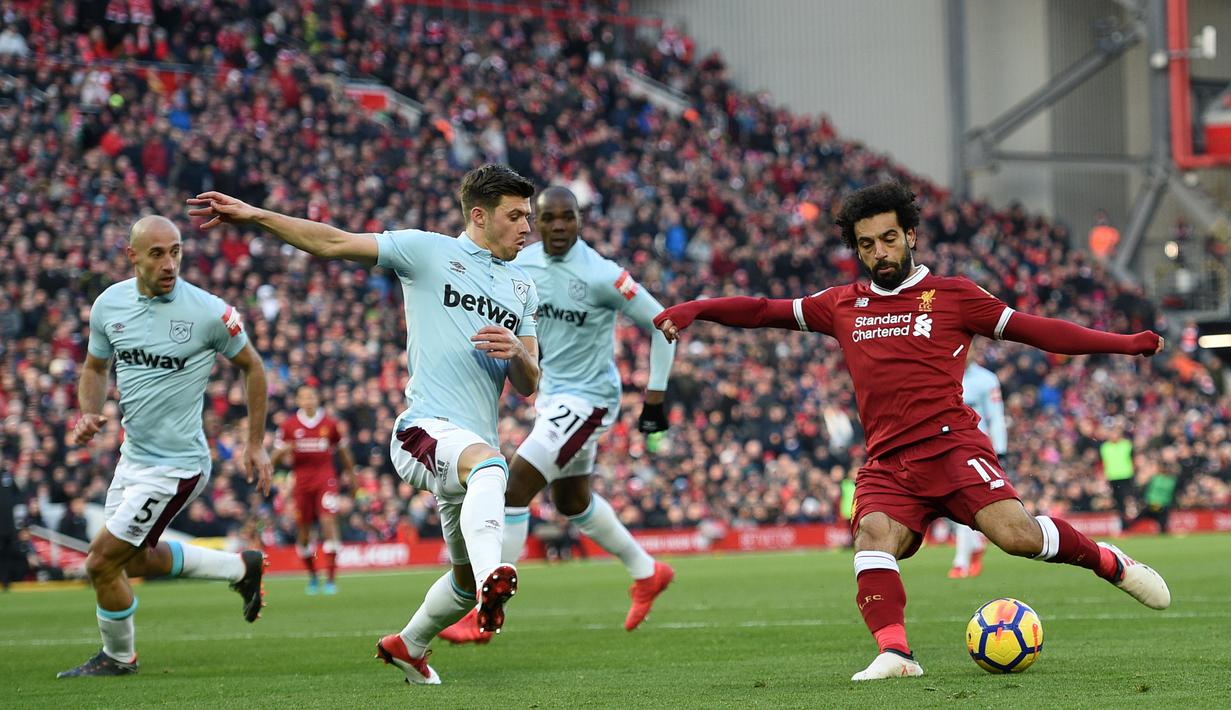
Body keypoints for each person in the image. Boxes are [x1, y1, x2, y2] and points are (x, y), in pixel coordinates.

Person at [653, 182, 1171, 681]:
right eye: (867, 244)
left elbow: (1037, 330)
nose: (879, 251)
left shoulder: (954, 296)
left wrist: (1123, 343)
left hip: (951, 447)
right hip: (888, 462)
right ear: (856, 249)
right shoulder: (840, 304)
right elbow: (764, 311)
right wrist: (696, 308)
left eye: (889, 238)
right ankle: (896, 653)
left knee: (1018, 537)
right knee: (872, 539)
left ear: (910, 236)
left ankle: (1110, 562)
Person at [188, 163, 541, 686]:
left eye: (528, 216)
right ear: (479, 216)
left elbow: (530, 380)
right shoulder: (427, 251)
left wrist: (516, 351)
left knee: (463, 583)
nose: (526, 227)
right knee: (493, 466)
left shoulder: (523, 287)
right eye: (515, 216)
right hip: (424, 429)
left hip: (469, 452)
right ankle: (497, 576)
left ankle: (409, 644)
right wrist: (255, 215)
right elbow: (331, 242)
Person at [439, 187, 676, 645]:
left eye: (569, 217)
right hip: (552, 397)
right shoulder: (520, 263)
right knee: (572, 502)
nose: (560, 226)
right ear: (536, 221)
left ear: (580, 220)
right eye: (550, 219)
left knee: (513, 489)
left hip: (589, 401)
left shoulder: (603, 275)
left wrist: (655, 399)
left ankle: (487, 614)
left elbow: (664, 324)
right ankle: (648, 572)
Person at [58, 216, 270, 679]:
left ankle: (118, 658)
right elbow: (94, 367)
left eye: (175, 251)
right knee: (136, 558)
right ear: (132, 256)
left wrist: (255, 445)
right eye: (157, 253)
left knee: (101, 562)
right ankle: (240, 568)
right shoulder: (108, 304)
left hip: (179, 466)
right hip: (132, 459)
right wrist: (88, 412)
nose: (169, 262)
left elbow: (253, 368)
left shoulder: (209, 312)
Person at [272, 384, 356, 595]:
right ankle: (311, 576)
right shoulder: (289, 426)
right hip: (301, 482)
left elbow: (343, 452)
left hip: (325, 479)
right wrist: (284, 452)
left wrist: (352, 476)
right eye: (304, 397)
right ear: (298, 401)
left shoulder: (330, 423)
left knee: (328, 521)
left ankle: (330, 578)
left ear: (317, 399)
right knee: (303, 530)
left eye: (311, 396)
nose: (308, 400)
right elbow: (274, 458)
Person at [948, 351, 1008, 579]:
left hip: (974, 448)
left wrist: (1000, 450)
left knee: (961, 499)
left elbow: (996, 416)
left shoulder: (986, 379)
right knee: (956, 504)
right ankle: (975, 543)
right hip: (945, 447)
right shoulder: (940, 371)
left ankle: (961, 561)